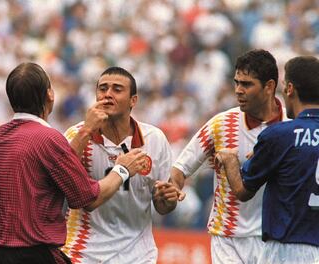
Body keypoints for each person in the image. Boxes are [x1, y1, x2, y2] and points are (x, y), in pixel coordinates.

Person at [0, 62, 146, 264]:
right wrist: (122, 169)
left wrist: (86, 130)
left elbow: (53, 167)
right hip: (36, 255)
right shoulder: (48, 138)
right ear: (50, 94)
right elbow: (88, 197)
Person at [170, 49, 288, 263]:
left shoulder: (290, 128)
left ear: (269, 86)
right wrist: (173, 188)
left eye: (247, 84)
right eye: (236, 83)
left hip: (273, 238)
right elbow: (180, 168)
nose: (238, 91)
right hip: (227, 238)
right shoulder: (221, 124)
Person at [61, 66, 180, 264]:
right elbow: (65, 184)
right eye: (102, 89)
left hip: (139, 255)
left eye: (117, 89)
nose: (107, 94)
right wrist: (86, 131)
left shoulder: (155, 139)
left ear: (134, 100)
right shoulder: (77, 135)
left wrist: (167, 199)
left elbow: (163, 206)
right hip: (84, 253)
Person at [217, 56, 319, 263]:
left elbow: (242, 191)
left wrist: (229, 160)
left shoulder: (280, 135)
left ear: (290, 89)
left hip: (286, 249)